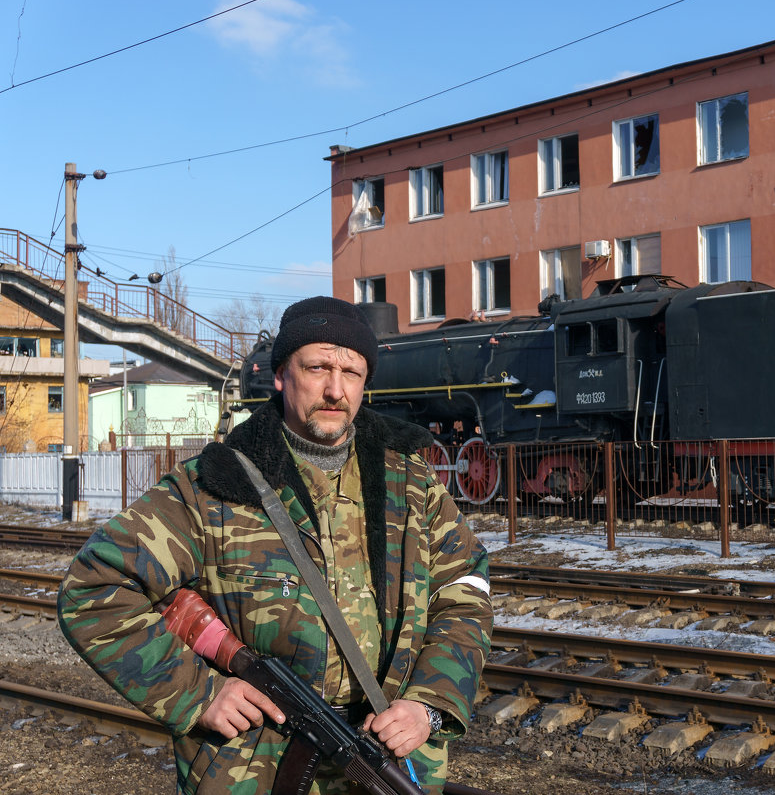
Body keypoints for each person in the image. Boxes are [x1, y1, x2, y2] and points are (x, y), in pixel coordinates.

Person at [58, 296, 493, 795]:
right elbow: (93, 588)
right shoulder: (214, 485)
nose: (335, 389)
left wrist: (429, 704)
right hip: (253, 764)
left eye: (350, 372)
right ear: (282, 375)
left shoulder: (411, 483)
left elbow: (465, 589)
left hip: (387, 760)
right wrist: (198, 696)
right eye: (317, 367)